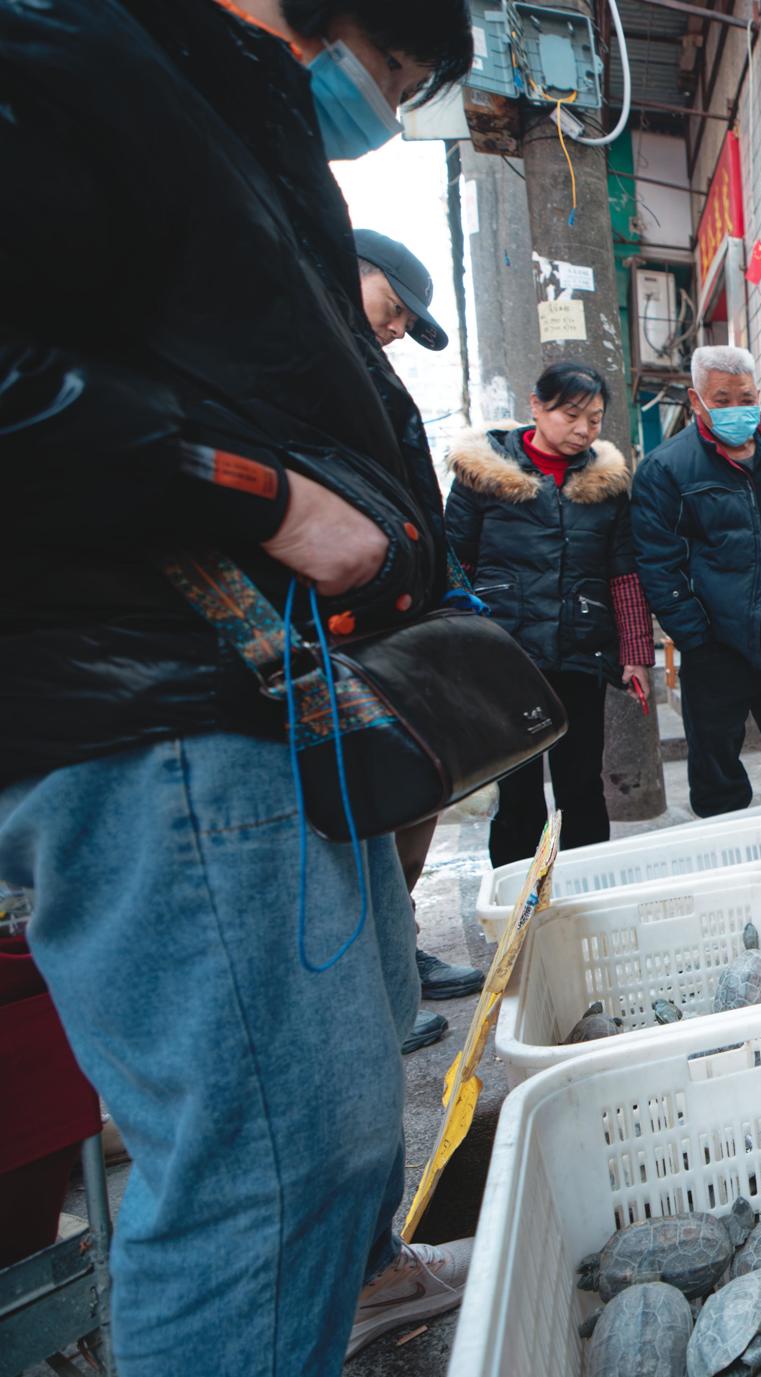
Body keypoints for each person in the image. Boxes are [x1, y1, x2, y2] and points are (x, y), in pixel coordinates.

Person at [0, 3, 478, 1372]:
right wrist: (260, 497)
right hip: (149, 699)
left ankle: (353, 1293)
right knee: (262, 1173)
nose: (379, 104)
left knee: (313, 1144)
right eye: (394, 73)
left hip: (238, 699)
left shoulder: (217, 107)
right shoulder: (81, 55)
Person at [351, 226, 485, 1046]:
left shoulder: (368, 368)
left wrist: (449, 591)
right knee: (374, 803)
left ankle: (398, 952)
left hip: (410, 618)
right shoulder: (306, 352)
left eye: (404, 318)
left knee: (420, 794)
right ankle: (376, 986)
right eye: (393, 308)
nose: (397, 326)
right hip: (355, 636)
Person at [446, 363, 654, 867]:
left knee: (581, 783)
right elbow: (455, 564)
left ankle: (587, 888)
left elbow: (623, 574)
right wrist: (459, 648)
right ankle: (520, 901)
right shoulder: (485, 476)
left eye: (596, 419)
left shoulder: (606, 485)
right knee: (517, 791)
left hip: (580, 652)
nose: (584, 429)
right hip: (506, 657)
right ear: (536, 406)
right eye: (571, 415)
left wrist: (635, 655)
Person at [631, 345, 761, 816]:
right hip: (718, 651)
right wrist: (698, 638)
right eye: (722, 400)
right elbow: (659, 566)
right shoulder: (666, 470)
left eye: (746, 397)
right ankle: (736, 874)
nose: (736, 409)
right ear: (695, 401)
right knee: (718, 782)